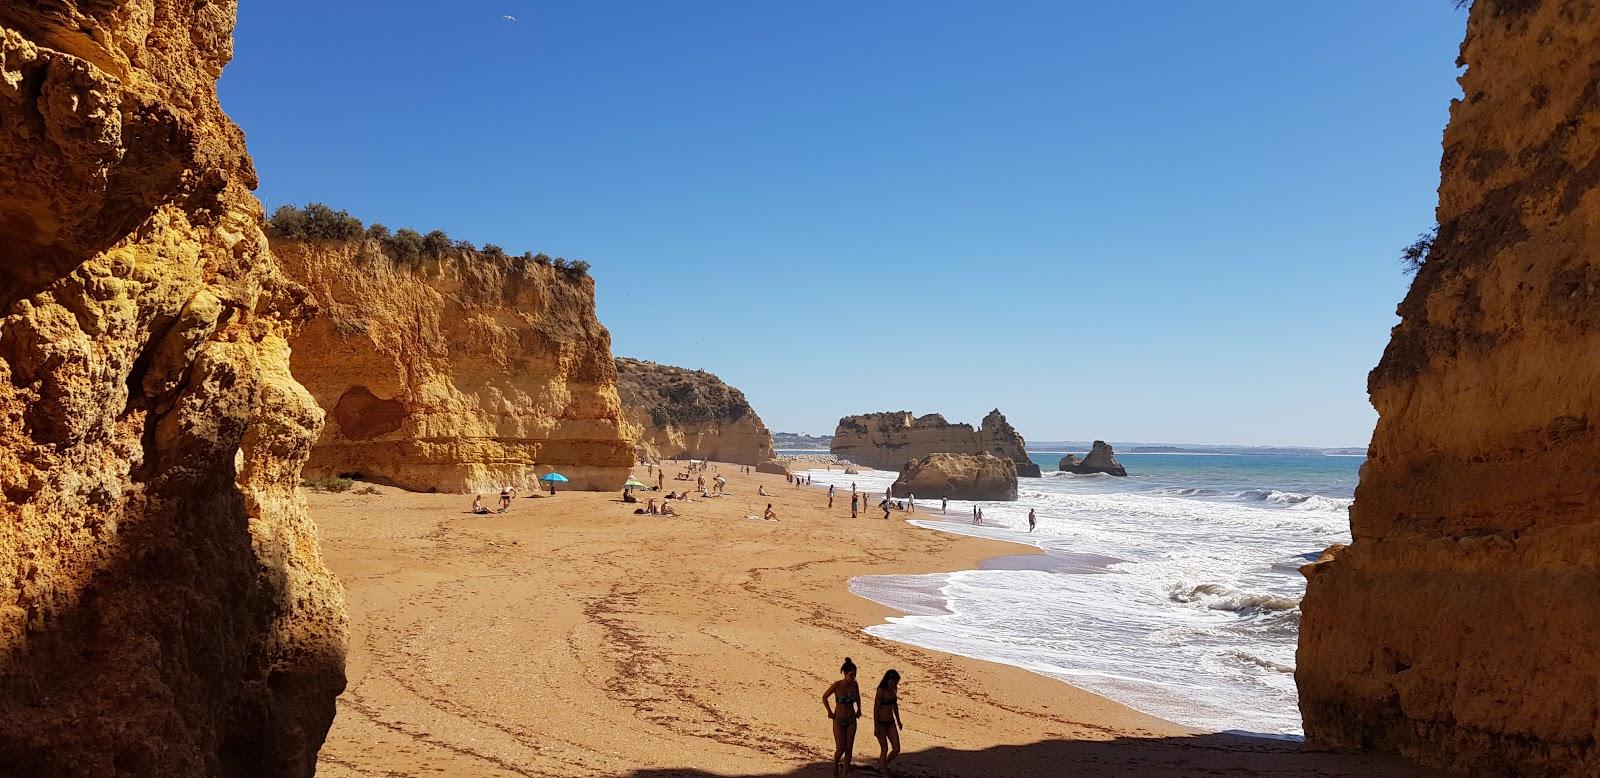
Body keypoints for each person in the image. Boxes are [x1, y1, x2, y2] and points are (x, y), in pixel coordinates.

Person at [822, 657, 861, 777]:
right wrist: (829, 711)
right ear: (845, 673)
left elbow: (858, 697)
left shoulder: (855, 685)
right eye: (851, 675)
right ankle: (835, 764)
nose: (853, 677)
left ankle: (844, 774)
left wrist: (859, 709)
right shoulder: (837, 685)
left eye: (854, 675)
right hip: (838, 720)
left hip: (851, 720)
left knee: (849, 749)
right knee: (840, 749)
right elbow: (824, 697)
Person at [872, 669, 903, 776]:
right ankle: (884, 772)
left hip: (890, 722)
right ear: (888, 680)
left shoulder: (894, 689)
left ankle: (883, 764)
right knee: (884, 748)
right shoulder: (881, 690)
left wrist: (898, 720)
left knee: (896, 749)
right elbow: (875, 709)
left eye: (895, 682)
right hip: (880, 723)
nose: (894, 684)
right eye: (893, 682)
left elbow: (894, 705)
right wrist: (876, 726)